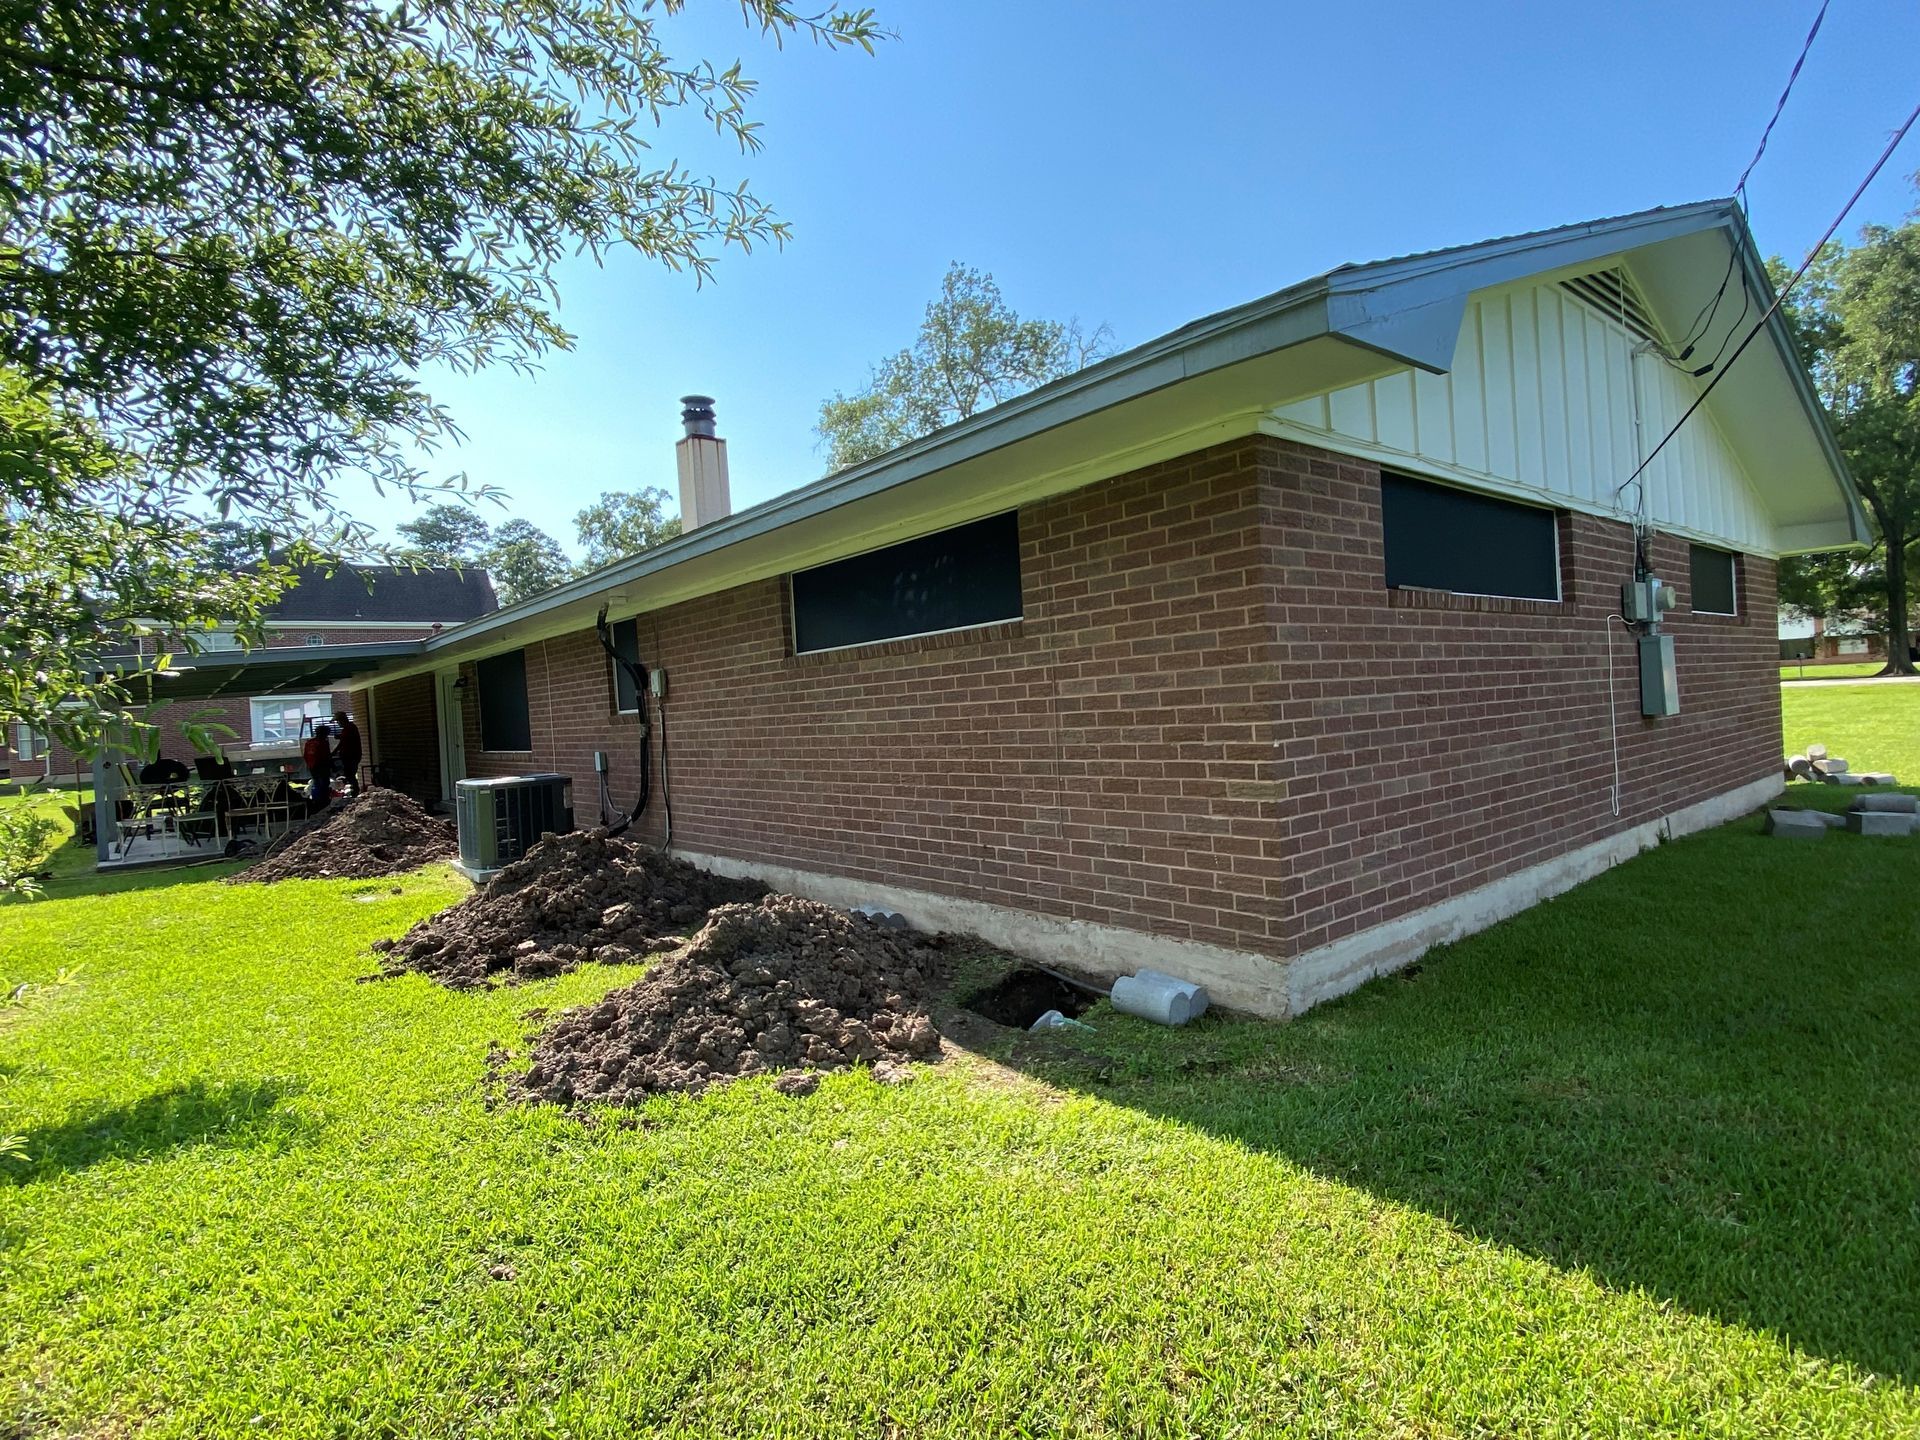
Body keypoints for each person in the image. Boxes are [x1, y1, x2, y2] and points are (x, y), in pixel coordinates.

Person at [302, 722, 333, 811]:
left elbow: (305, 755)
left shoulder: (309, 742)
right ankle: (324, 803)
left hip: (313, 766)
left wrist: (310, 765)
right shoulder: (323, 742)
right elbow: (326, 756)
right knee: (324, 785)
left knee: (317, 784)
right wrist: (331, 766)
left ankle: (318, 802)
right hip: (322, 766)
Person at [332, 709, 363, 796]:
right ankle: (354, 790)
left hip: (351, 756)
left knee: (350, 774)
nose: (338, 724)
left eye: (338, 721)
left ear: (342, 720)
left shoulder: (350, 728)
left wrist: (334, 752)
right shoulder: (348, 728)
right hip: (349, 756)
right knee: (349, 774)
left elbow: (343, 742)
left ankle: (355, 791)